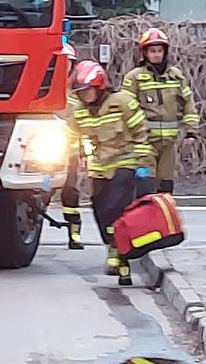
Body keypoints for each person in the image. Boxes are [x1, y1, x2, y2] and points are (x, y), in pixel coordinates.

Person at [66, 60, 155, 285]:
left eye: (87, 91)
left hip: (125, 164)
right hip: (98, 169)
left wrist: (143, 164)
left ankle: (119, 253)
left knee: (114, 208)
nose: (84, 96)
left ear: (99, 86)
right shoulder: (80, 113)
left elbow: (141, 132)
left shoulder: (123, 102)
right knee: (100, 212)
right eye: (80, 92)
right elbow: (69, 136)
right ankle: (112, 247)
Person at [121, 28, 200, 194]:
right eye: (152, 51)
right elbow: (124, 108)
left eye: (159, 51)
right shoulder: (134, 77)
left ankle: (162, 219)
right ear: (145, 53)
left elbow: (188, 105)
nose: (156, 55)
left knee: (165, 188)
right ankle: (143, 219)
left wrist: (191, 132)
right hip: (144, 144)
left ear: (165, 52)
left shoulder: (176, 76)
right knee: (145, 187)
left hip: (169, 145)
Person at [58, 43, 85, 250]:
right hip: (44, 152)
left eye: (68, 63)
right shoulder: (44, 87)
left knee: (70, 192)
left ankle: (74, 233)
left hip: (71, 152)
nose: (64, 66)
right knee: (39, 192)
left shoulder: (79, 93)